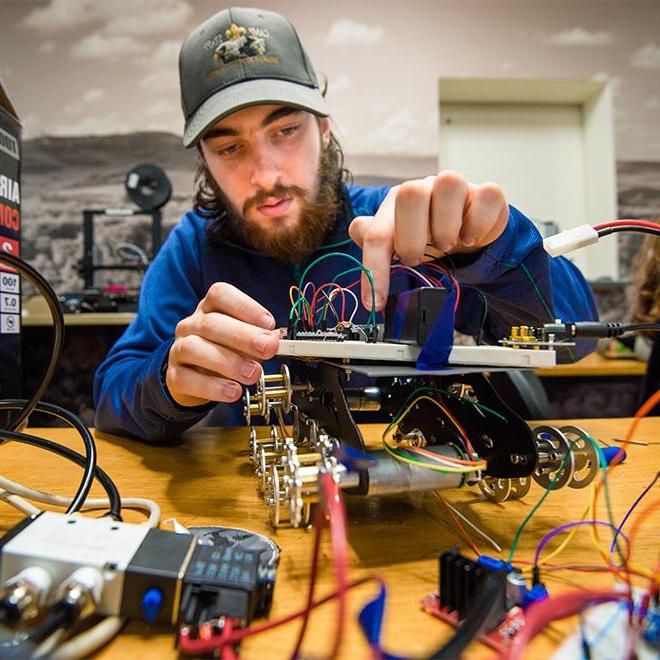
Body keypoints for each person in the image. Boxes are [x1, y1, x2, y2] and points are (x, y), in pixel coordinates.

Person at [94, 6, 598, 443]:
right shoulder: (193, 249)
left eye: (286, 130)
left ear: (324, 126)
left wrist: (493, 247)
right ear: (203, 158)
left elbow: (577, 335)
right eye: (230, 148)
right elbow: (114, 392)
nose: (266, 174)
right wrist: (169, 384)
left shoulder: (397, 226)